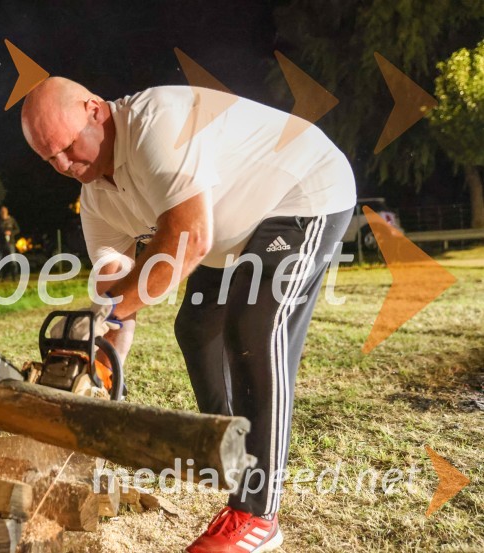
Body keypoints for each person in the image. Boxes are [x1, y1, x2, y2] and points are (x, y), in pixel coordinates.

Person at [21, 77, 355, 552]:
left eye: (69, 147)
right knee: (197, 329)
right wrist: (103, 359)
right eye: (49, 158)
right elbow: (118, 291)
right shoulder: (96, 201)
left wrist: (112, 311)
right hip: (231, 235)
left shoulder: (155, 121)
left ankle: (257, 513)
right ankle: (231, 450)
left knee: (253, 328)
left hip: (302, 193)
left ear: (94, 110)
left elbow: (189, 238)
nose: (64, 165)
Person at [0, 205, 20, 279]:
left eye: (4, 211)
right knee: (0, 261)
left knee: (13, 260)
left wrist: (11, 232)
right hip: (1, 243)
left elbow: (17, 229)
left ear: (7, 212)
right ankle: (1, 277)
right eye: (2, 212)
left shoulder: (11, 220)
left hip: (10, 243)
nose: (3, 213)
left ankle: (14, 277)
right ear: (0, 213)